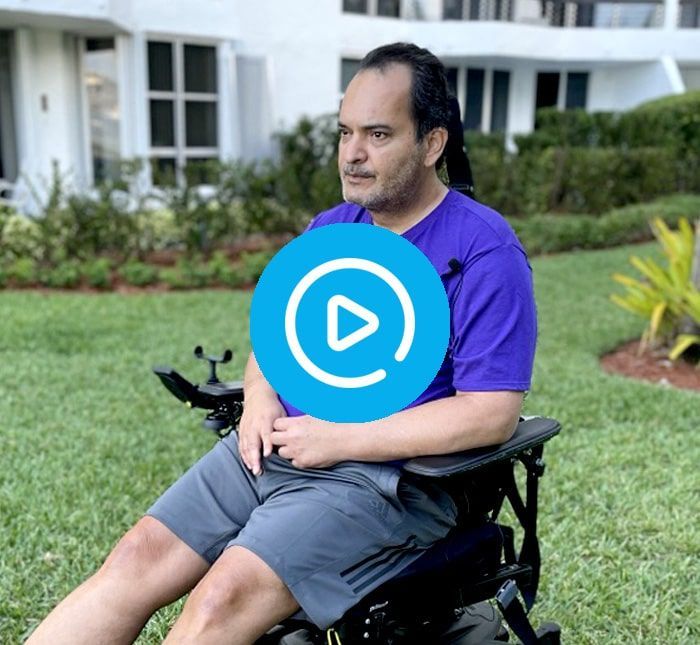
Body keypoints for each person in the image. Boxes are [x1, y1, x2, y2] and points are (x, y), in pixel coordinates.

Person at [28, 43, 536, 645]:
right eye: (345, 132)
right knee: (136, 556)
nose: (352, 153)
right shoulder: (331, 230)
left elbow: (491, 413)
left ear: (432, 144)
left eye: (378, 134)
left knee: (219, 600)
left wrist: (340, 440)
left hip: (385, 482)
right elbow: (275, 344)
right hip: (276, 449)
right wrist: (261, 396)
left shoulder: (484, 250)